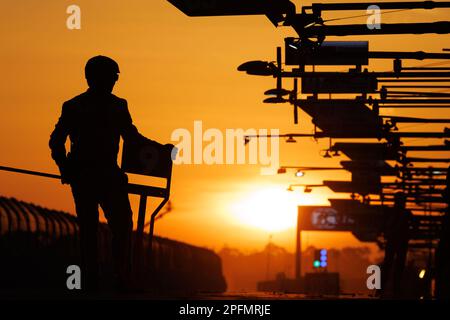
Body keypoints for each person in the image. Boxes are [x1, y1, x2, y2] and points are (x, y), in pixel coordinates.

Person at [49, 55, 172, 292]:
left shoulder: (80, 106)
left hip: (90, 177)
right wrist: (66, 169)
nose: (114, 82)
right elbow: (132, 139)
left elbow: (57, 143)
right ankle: (115, 277)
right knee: (115, 225)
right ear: (98, 77)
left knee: (97, 228)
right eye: (112, 77)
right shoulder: (110, 106)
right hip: (100, 176)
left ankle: (100, 280)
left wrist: (66, 169)